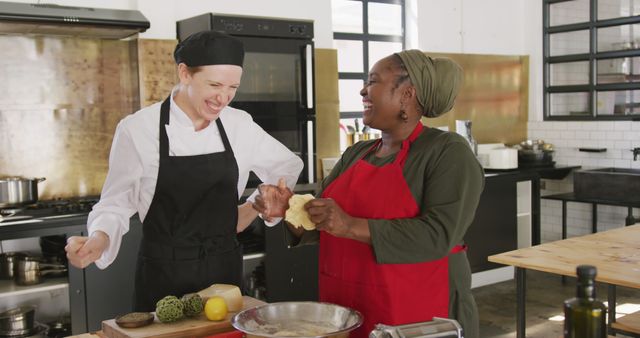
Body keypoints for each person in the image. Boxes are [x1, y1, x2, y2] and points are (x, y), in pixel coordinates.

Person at [64, 30, 303, 311]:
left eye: (232, 88)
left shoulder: (240, 125)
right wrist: (100, 238)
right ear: (185, 73)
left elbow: (287, 166)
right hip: (164, 277)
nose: (223, 98)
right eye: (214, 84)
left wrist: (255, 205)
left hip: (224, 276)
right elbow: (116, 203)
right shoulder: (138, 129)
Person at [255, 50, 484, 338]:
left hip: (417, 313)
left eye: (373, 81)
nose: (363, 90)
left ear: (407, 94)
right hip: (346, 307)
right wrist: (288, 211)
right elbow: (321, 223)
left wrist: (349, 224)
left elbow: (438, 235)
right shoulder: (357, 153)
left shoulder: (447, 152)